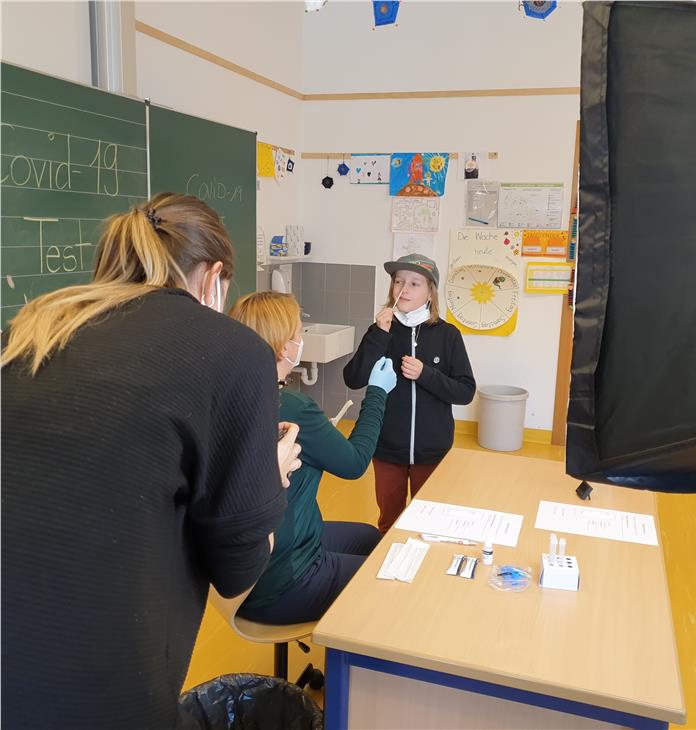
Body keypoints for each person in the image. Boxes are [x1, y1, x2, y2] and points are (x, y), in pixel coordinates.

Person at [1, 193, 301, 730]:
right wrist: (269, 477)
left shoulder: (31, 330)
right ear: (213, 278)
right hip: (97, 685)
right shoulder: (232, 352)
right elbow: (238, 572)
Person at [229, 291, 397, 625]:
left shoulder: (231, 395)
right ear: (283, 348)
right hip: (285, 581)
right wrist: (377, 392)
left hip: (243, 570)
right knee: (389, 577)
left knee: (368, 538)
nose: (301, 339)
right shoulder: (291, 406)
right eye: (299, 333)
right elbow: (354, 464)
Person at [343, 253, 476, 533]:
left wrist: (426, 374)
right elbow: (353, 379)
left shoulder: (448, 335)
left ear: (430, 292)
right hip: (386, 448)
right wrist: (379, 334)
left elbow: (465, 392)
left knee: (430, 524)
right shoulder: (380, 331)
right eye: (398, 281)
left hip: (433, 450)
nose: (404, 289)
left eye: (415, 283)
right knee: (388, 522)